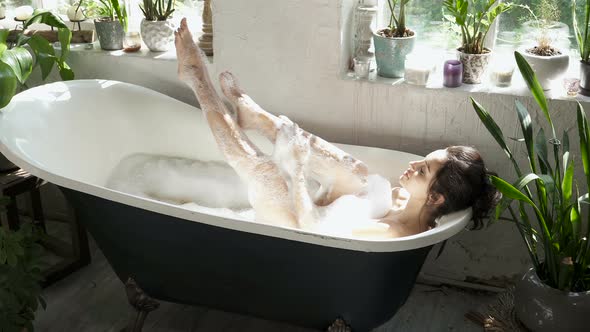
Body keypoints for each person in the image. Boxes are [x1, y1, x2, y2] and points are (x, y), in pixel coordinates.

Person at [173, 18, 501, 238]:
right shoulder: (410, 205)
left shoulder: (391, 233)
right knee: (352, 168)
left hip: (299, 233)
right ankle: (258, 117)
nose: (412, 164)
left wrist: (297, 171)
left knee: (265, 173)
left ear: (435, 197)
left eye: (422, 170)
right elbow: (361, 196)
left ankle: (196, 79)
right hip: (323, 211)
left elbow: (312, 230)